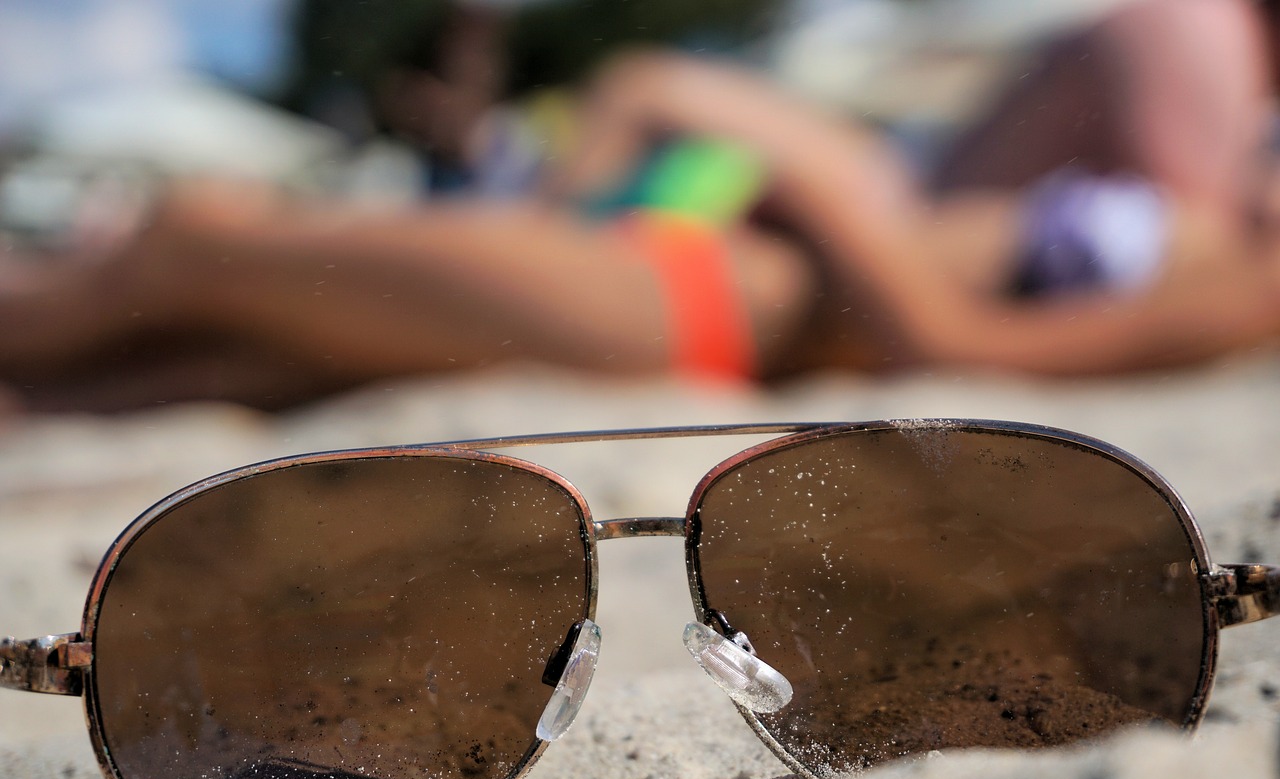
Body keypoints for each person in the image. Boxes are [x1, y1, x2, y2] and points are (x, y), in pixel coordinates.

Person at [1, 0, 1278, 412]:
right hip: (685, 291)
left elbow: (961, 354)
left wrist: (825, 205)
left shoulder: (1250, 267)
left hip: (697, 303)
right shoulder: (1224, 214)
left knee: (197, 245)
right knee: (224, 354)